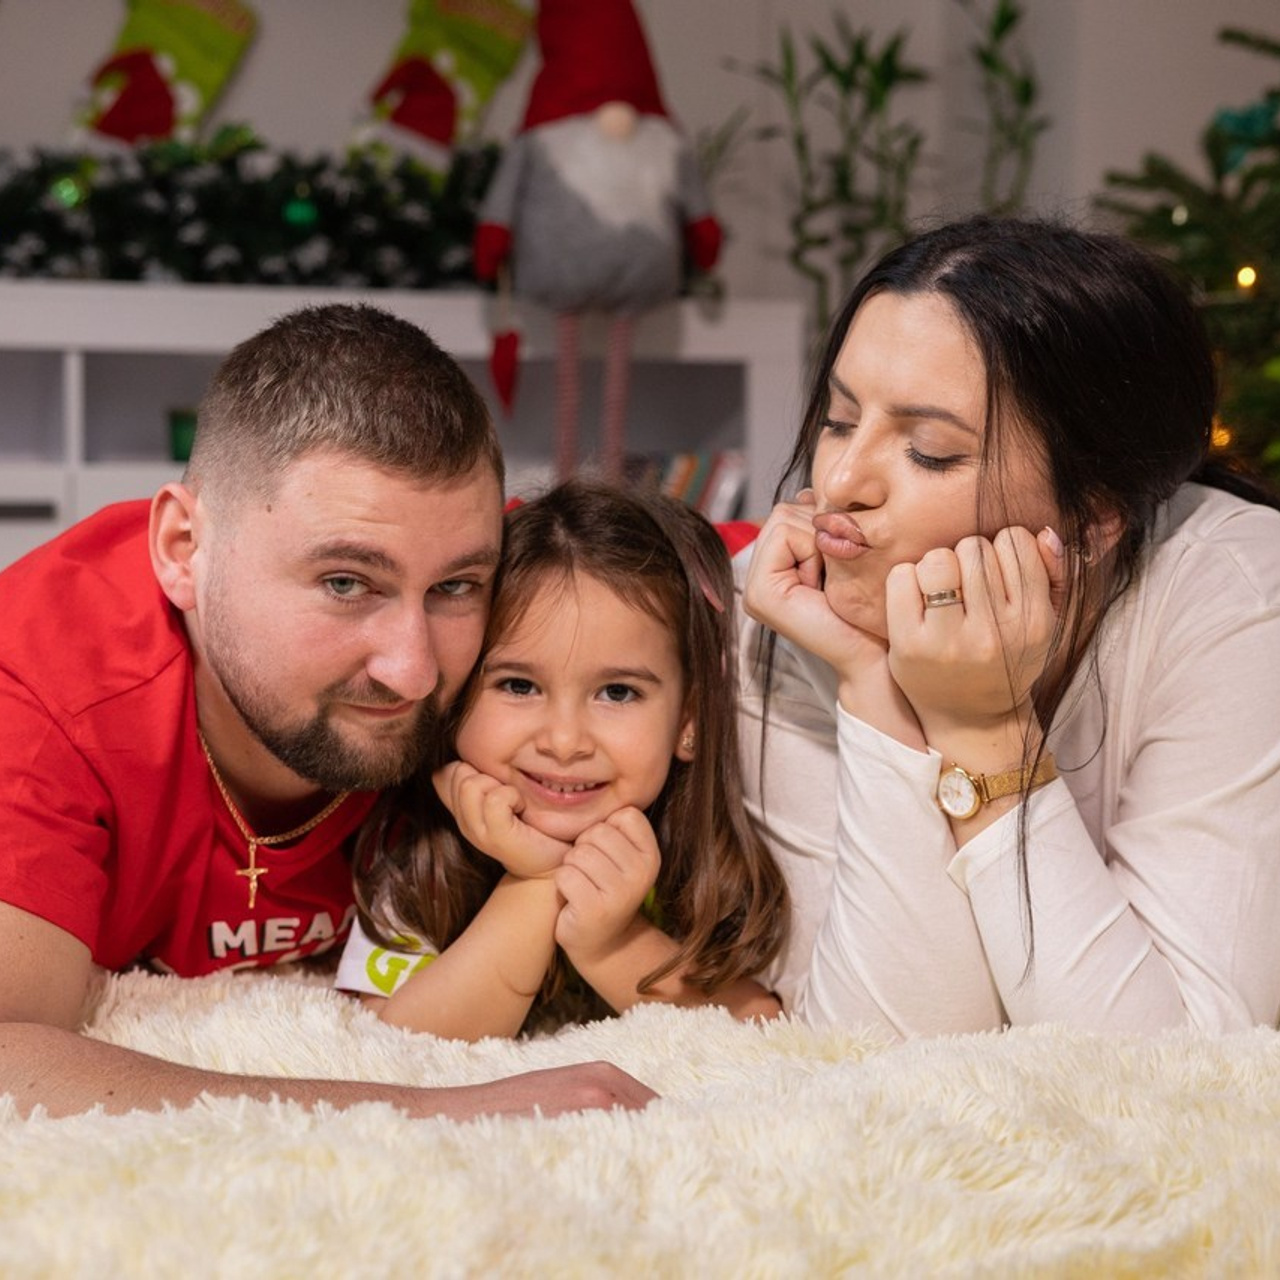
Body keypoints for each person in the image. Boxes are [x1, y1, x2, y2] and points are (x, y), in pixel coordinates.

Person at [0, 303, 655, 1119]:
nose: (414, 671)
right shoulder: (41, 687)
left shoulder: (524, 591)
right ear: (183, 549)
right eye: (346, 583)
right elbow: (8, 1052)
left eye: (455, 587)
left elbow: (745, 565)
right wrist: (431, 1112)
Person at [739, 214, 1280, 1037]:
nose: (842, 481)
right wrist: (876, 686)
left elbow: (1172, 1066)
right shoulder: (788, 603)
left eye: (928, 451)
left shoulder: (1244, 596)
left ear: (1095, 520)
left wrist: (987, 731)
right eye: (841, 421)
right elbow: (882, 1048)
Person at [338, 479, 787, 1038]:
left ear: (689, 720)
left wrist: (612, 942)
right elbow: (390, 1046)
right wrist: (535, 882)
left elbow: (763, 1035)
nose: (565, 741)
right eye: (519, 686)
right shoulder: (421, 848)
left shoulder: (705, 857)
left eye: (618, 693)